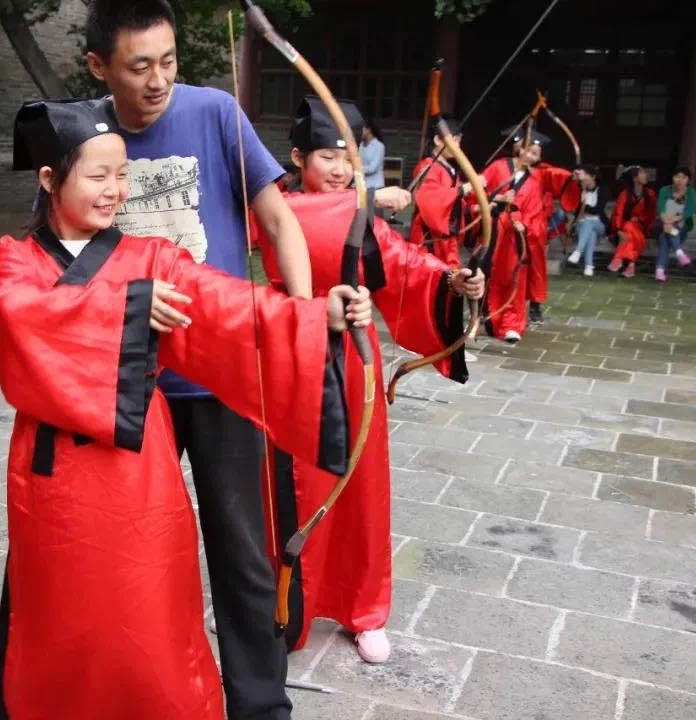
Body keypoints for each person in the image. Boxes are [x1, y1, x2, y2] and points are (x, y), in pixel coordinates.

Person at [0, 97, 372, 720]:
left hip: (140, 469)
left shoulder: (150, 257)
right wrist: (130, 308)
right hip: (55, 476)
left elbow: (226, 305)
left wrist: (312, 314)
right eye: (98, 175)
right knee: (60, 605)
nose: (115, 191)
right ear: (50, 179)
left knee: (148, 606)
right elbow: (15, 320)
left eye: (122, 175)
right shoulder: (14, 258)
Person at [83, 2, 315, 716]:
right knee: (127, 552)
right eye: (138, 66)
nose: (158, 81)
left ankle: (260, 703)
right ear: (98, 66)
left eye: (169, 61)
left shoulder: (214, 113)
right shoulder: (82, 131)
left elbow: (277, 219)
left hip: (222, 376)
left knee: (243, 551)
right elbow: (59, 254)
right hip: (129, 384)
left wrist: (302, 318)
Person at [253, 96, 484, 665]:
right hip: (291, 347)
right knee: (290, 483)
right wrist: (366, 199)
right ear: (297, 157)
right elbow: (296, 221)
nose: (339, 169)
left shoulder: (362, 213)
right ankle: (284, 606)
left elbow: (404, 263)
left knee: (359, 484)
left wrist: (452, 281)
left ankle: (364, 609)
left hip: (355, 355)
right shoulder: (275, 206)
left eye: (349, 160)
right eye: (326, 157)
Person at [479, 126, 547, 344]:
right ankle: (488, 319)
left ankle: (511, 325)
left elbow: (536, 213)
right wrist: (497, 199)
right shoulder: (499, 166)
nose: (531, 156)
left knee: (513, 278)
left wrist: (524, 225)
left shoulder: (534, 182)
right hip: (492, 231)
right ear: (519, 147)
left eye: (535, 154)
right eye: (528, 150)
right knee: (486, 275)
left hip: (514, 238)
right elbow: (478, 190)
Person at [407, 113, 477, 268]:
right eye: (454, 141)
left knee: (449, 277)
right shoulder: (427, 165)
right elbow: (431, 201)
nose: (458, 146)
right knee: (430, 277)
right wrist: (462, 190)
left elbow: (456, 205)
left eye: (459, 141)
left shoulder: (449, 169)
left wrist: (474, 208)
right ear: (438, 140)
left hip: (446, 238)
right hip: (429, 238)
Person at [532, 158, 580, 322]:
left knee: (537, 269)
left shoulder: (541, 172)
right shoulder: (508, 169)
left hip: (537, 225)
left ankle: (534, 308)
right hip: (514, 225)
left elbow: (557, 175)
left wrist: (572, 178)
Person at [607, 165, 656, 277]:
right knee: (628, 227)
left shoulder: (649, 194)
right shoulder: (625, 194)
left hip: (641, 227)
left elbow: (651, 214)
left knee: (630, 228)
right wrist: (618, 230)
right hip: (624, 226)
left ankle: (618, 258)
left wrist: (639, 218)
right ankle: (631, 264)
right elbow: (618, 213)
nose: (645, 175)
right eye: (642, 173)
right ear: (635, 178)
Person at [565, 164, 611, 277]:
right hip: (581, 225)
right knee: (590, 233)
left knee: (589, 223)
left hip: (599, 224)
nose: (582, 178)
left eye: (584, 175)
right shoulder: (579, 190)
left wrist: (584, 205)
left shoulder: (602, 190)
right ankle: (589, 266)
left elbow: (597, 210)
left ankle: (578, 251)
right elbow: (576, 211)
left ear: (593, 177)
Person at [653, 166, 696, 281]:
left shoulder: (691, 193)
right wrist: (666, 221)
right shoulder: (664, 190)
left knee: (665, 237)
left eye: (684, 177)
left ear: (688, 179)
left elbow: (689, 211)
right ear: (672, 178)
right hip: (663, 223)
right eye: (677, 177)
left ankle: (660, 270)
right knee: (666, 233)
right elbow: (661, 209)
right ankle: (679, 253)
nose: (680, 180)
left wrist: (671, 221)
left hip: (681, 226)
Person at [360, 118, 385, 215]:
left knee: (375, 217)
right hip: (361, 186)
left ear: (368, 130)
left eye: (362, 129)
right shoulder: (360, 145)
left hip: (375, 187)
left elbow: (373, 168)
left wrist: (356, 169)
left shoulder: (379, 146)